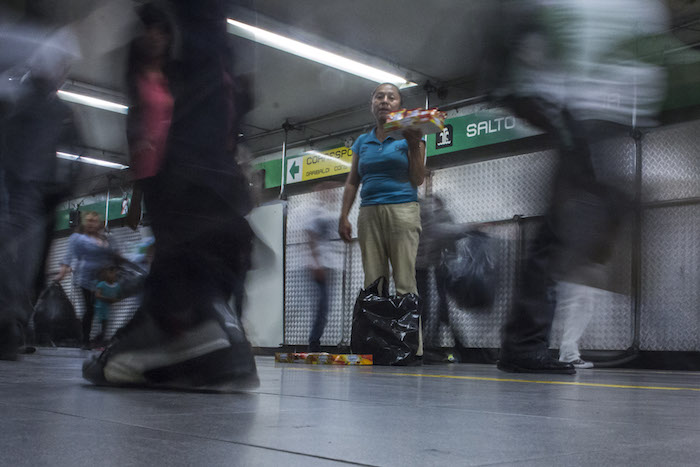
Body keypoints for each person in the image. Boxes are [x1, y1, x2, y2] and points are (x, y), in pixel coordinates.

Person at [483, 0, 669, 374]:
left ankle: (523, 342)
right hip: (576, 112)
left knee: (559, 230)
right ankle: (523, 343)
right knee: (564, 229)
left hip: (584, 113)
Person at [82, 0, 258, 391]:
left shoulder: (177, 78)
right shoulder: (147, 81)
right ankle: (204, 319)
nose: (153, 37)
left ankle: (184, 320)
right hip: (170, 178)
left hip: (191, 174)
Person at [0, 27, 81, 360]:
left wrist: (61, 189)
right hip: (13, 192)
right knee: (11, 258)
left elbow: (73, 153)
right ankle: (8, 325)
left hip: (37, 200)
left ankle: (12, 327)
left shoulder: (60, 111)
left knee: (26, 265)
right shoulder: (14, 95)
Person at [339, 82, 425, 354]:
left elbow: (418, 179)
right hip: (368, 212)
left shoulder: (412, 136)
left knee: (404, 279)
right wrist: (343, 215)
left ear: (399, 105)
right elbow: (353, 181)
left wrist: (412, 147)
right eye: (379, 96)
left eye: (391, 97)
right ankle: (376, 344)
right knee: (373, 280)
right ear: (372, 104)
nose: (385, 100)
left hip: (402, 210)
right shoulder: (362, 142)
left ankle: (410, 347)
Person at [124, 3, 174, 231]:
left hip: (178, 167)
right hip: (152, 173)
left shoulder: (174, 77)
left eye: (159, 31)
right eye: (148, 30)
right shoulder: (137, 81)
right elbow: (135, 139)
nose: (154, 36)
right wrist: (136, 194)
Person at [55, 211, 122, 349]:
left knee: (104, 310)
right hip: (84, 279)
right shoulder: (78, 239)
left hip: (102, 279)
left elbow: (116, 256)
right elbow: (68, 256)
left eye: (94, 221)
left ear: (99, 223)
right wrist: (62, 273)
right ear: (85, 223)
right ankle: (85, 340)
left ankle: (101, 339)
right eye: (89, 221)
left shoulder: (106, 240)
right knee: (90, 309)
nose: (91, 224)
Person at [416, 194, 471, 362]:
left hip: (428, 265)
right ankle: (424, 345)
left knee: (431, 307)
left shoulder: (421, 206)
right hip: (428, 265)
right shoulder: (425, 207)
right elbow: (438, 232)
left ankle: (424, 345)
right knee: (430, 307)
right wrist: (469, 227)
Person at [305, 183, 341, 352]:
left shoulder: (328, 211)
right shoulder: (315, 211)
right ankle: (314, 342)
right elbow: (311, 236)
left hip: (326, 266)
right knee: (322, 305)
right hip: (318, 266)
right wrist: (317, 262)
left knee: (324, 306)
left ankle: (315, 341)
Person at [93, 266, 121, 346]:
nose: (113, 275)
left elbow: (119, 297)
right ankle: (97, 343)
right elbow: (97, 295)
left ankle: (101, 343)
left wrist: (115, 300)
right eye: (111, 273)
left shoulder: (117, 286)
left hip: (110, 311)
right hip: (100, 310)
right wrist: (108, 299)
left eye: (115, 273)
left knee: (106, 329)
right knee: (100, 328)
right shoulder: (101, 284)